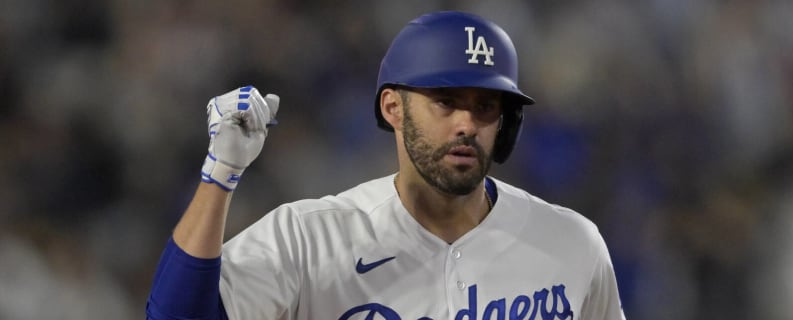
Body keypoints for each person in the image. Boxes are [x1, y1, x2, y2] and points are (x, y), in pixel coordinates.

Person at [146, 11, 626, 320]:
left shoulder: (571, 242)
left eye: (486, 106)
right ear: (393, 108)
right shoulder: (311, 239)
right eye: (446, 101)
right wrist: (221, 173)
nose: (467, 123)